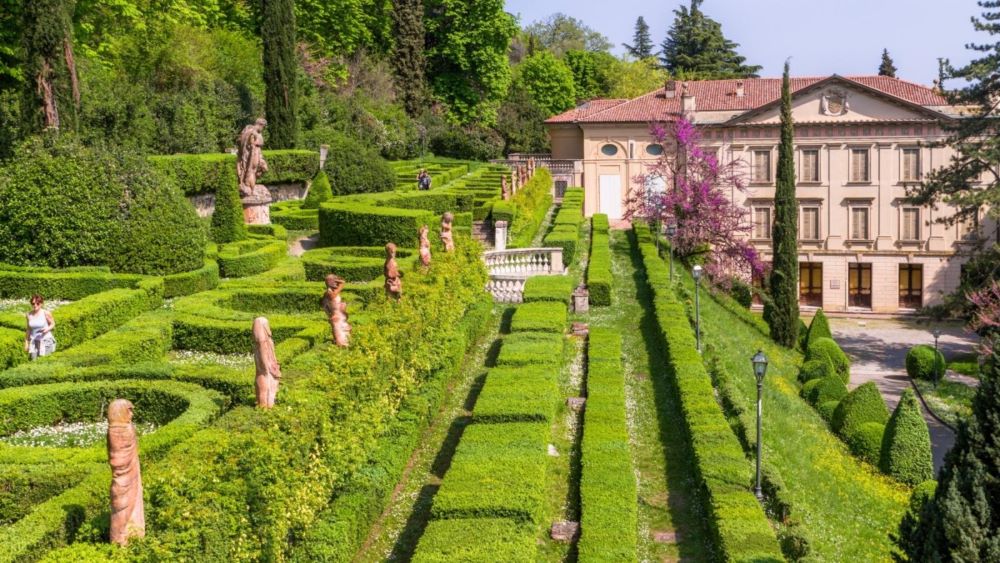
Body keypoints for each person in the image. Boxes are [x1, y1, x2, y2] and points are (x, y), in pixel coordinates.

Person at [24, 294, 55, 360]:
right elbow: (28, 329)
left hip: (45, 341)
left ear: (41, 304)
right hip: (34, 342)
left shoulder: (46, 313)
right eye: (33, 303)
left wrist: (47, 329)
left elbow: (52, 324)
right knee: (33, 361)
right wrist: (26, 342)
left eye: (37, 303)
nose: (35, 305)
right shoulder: (28, 315)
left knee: (44, 362)